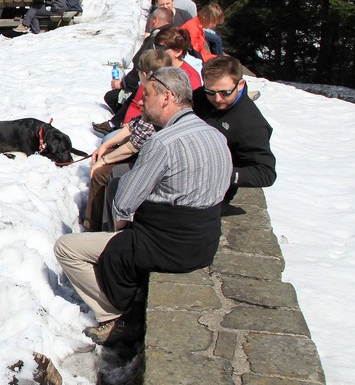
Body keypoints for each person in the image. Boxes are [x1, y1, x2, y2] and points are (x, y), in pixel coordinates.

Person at [54, 67, 231, 344]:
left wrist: (121, 234)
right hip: (204, 243)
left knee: (66, 247)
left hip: (169, 246)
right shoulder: (216, 136)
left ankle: (115, 316)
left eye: (147, 94)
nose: (141, 101)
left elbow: (124, 204)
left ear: (167, 97)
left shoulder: (163, 143)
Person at [84, 49, 172, 230]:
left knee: (103, 173)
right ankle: (92, 218)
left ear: (145, 74)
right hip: (140, 148)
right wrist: (107, 146)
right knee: (103, 155)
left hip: (146, 157)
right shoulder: (151, 90)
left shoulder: (156, 95)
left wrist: (105, 159)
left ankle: (98, 225)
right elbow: (134, 125)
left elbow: (135, 144)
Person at [192, 55, 276, 206]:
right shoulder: (201, 97)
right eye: (211, 92)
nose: (217, 99)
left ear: (241, 84)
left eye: (225, 92)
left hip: (214, 195)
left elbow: (266, 173)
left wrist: (223, 173)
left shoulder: (251, 123)